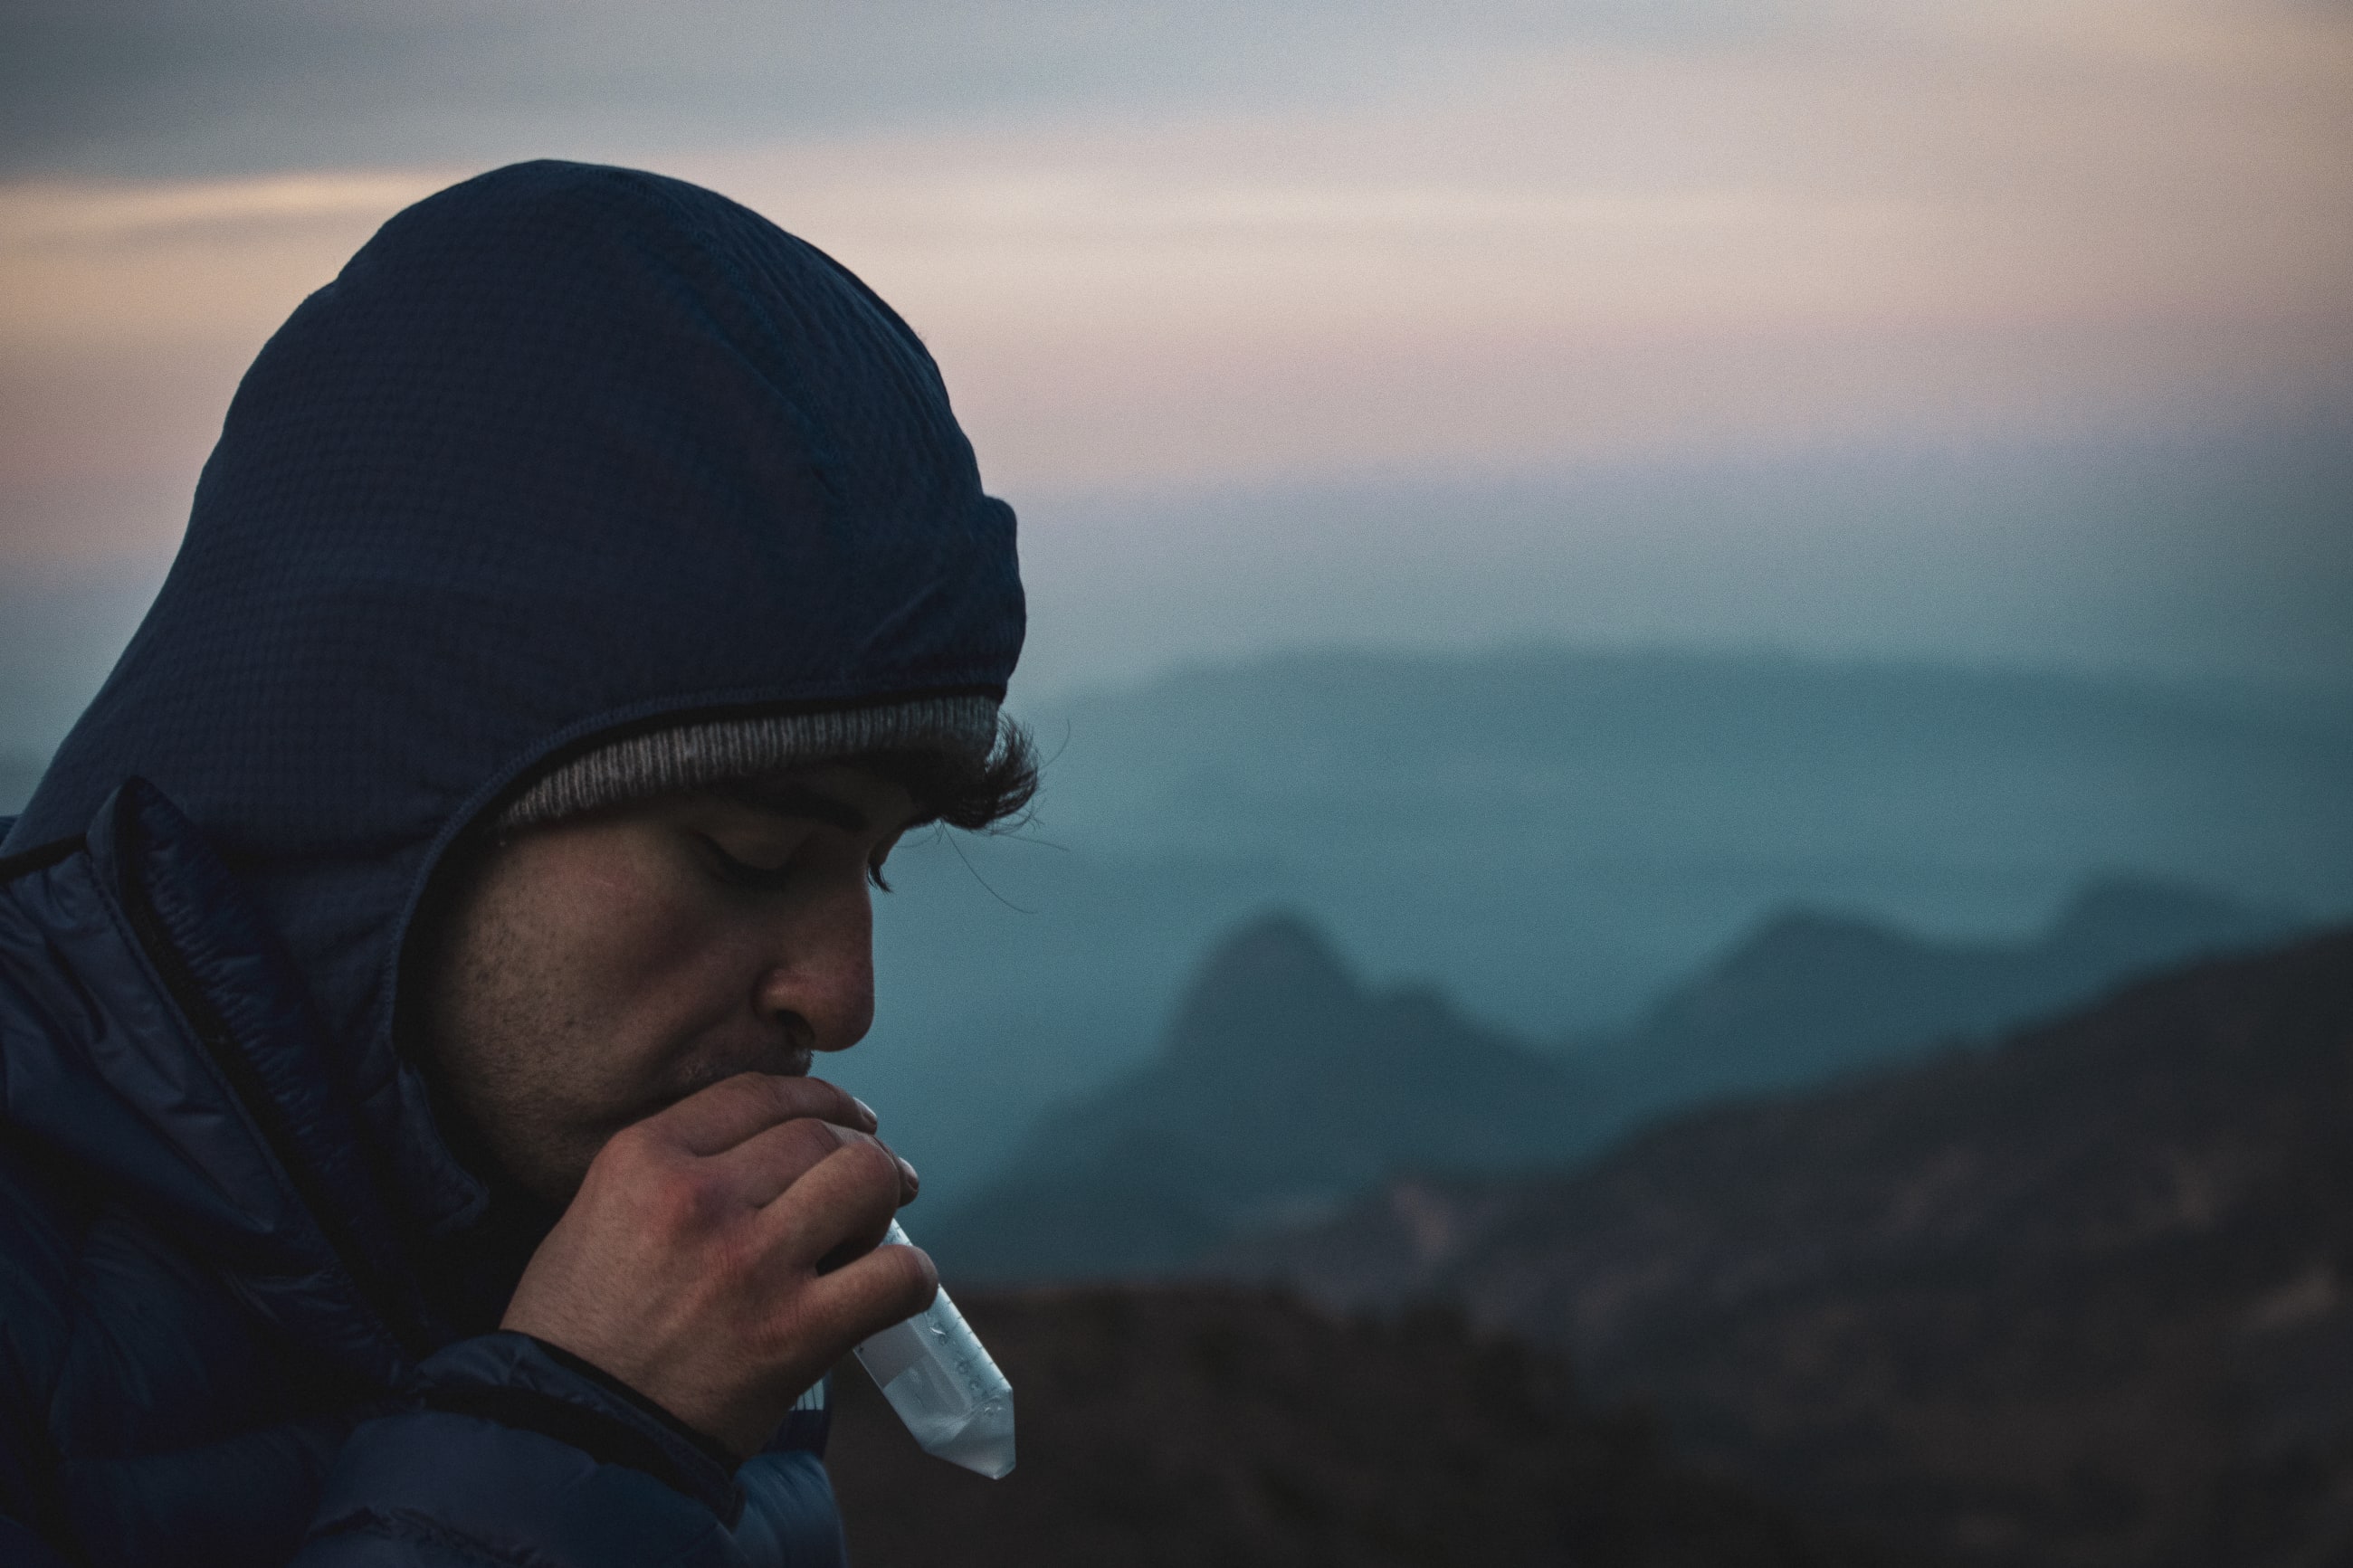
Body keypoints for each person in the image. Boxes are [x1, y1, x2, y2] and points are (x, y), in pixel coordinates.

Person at [0, 160, 1034, 1566]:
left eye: (878, 865)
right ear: (382, 803)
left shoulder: (654, 1281)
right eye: (745, 854)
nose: (841, 995)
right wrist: (580, 1450)